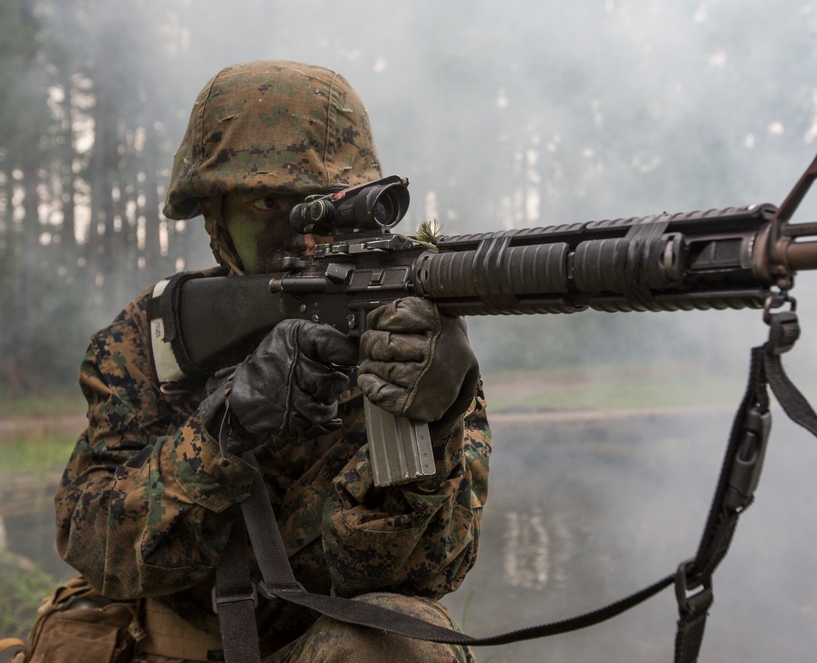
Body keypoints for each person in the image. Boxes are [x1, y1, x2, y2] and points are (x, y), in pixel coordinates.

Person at [51, 60, 491, 662]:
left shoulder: (409, 338)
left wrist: (433, 425)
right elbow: (97, 548)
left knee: (401, 642)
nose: (308, 235)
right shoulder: (152, 340)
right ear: (215, 214)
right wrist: (226, 429)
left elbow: (425, 575)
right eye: (268, 203)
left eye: (330, 206)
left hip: (323, 649)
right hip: (172, 651)